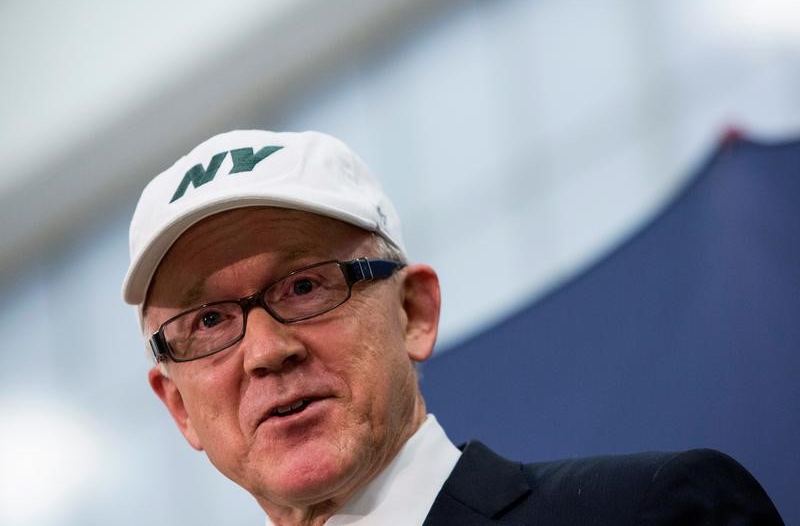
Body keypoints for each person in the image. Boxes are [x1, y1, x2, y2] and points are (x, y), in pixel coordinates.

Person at [122, 130, 784, 525]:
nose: (267, 352)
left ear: (414, 312)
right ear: (179, 406)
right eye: (208, 321)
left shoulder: (648, 514)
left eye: (304, 286)